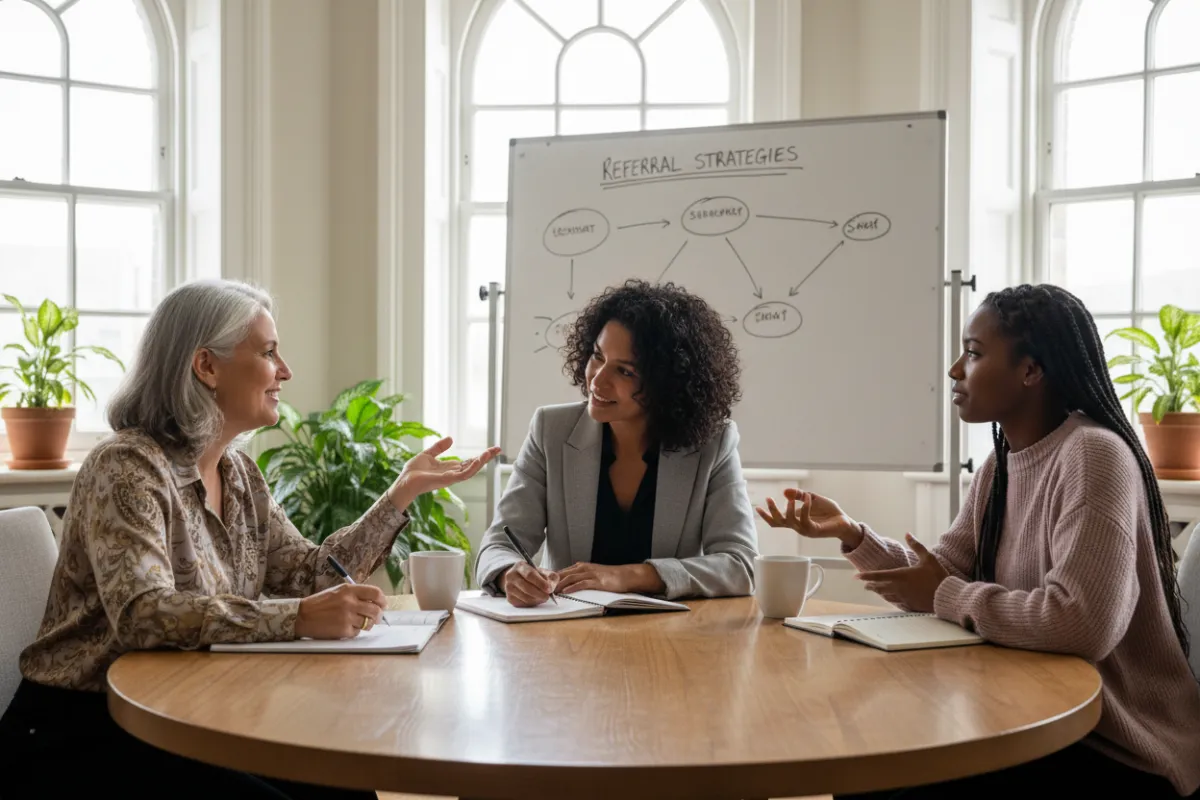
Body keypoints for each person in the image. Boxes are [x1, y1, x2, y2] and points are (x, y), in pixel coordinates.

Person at [0, 279, 499, 800]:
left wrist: (400, 494)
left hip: (191, 709)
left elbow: (309, 575)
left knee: (343, 784)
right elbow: (144, 614)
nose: (285, 371)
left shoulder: (240, 474)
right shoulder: (126, 466)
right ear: (206, 367)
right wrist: (298, 617)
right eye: (268, 352)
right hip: (87, 728)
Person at [758, 284, 1200, 798]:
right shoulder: (1001, 467)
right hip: (1031, 712)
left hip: (1115, 741)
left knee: (885, 773)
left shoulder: (1093, 455)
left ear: (1030, 371)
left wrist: (943, 596)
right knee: (867, 760)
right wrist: (853, 534)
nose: (954, 370)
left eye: (973, 353)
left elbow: (1083, 623)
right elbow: (941, 570)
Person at [475, 279, 757, 605]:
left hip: (671, 641)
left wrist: (625, 576)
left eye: (624, 371)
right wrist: (510, 573)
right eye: (597, 356)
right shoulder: (550, 429)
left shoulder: (713, 444)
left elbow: (742, 565)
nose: (598, 378)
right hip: (566, 636)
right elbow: (498, 545)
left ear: (667, 384)